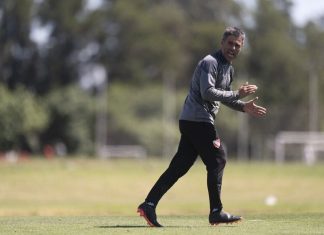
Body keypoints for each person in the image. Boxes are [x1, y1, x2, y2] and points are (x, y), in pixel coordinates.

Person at [137, 26, 267, 227]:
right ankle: (216, 212)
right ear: (222, 43)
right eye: (230, 43)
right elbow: (208, 92)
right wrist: (236, 94)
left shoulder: (228, 69)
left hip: (193, 121)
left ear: (241, 48)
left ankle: (149, 204)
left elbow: (222, 96)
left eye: (237, 45)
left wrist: (243, 107)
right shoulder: (210, 62)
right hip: (198, 120)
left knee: (179, 166)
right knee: (218, 160)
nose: (233, 47)